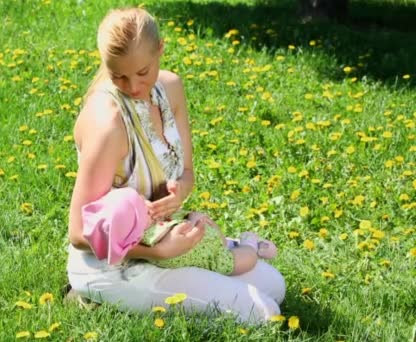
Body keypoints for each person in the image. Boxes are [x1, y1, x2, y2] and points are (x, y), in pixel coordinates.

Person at [66, 7, 285, 323]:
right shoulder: (108, 124)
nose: (133, 87)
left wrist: (180, 191)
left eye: (142, 72)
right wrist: (157, 252)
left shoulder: (169, 89)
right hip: (114, 265)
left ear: (161, 50)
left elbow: (187, 173)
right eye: (119, 76)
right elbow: (78, 234)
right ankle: (91, 295)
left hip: (165, 242)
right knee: (264, 313)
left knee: (274, 286)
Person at [80, 186, 278, 275]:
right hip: (214, 260)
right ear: (138, 225)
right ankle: (250, 245)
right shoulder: (154, 238)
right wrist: (193, 219)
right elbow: (186, 231)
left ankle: (234, 243)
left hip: (210, 244)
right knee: (245, 260)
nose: (149, 203)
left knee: (222, 241)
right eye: (144, 206)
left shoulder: (140, 236)